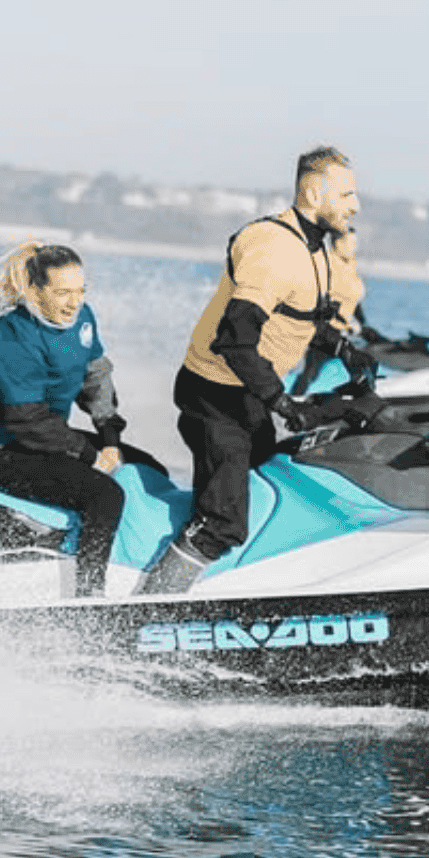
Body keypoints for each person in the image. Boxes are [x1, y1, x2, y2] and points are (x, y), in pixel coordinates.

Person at [143, 146, 364, 594]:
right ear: (312, 193)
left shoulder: (315, 248)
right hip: (214, 394)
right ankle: (151, 606)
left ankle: (228, 585)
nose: (355, 205)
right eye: (346, 194)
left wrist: (343, 348)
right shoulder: (273, 249)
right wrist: (281, 402)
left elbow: (301, 316)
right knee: (221, 522)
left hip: (247, 394)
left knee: (268, 482)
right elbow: (234, 339)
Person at [0, 241, 161, 597]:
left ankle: (132, 565)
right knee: (105, 495)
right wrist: (91, 457)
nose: (74, 302)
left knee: (150, 469)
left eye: (81, 291)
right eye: (62, 293)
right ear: (36, 291)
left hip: (50, 438)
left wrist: (111, 439)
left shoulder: (81, 319)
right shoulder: (5, 337)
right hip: (3, 450)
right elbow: (27, 421)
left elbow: (96, 378)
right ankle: (88, 600)